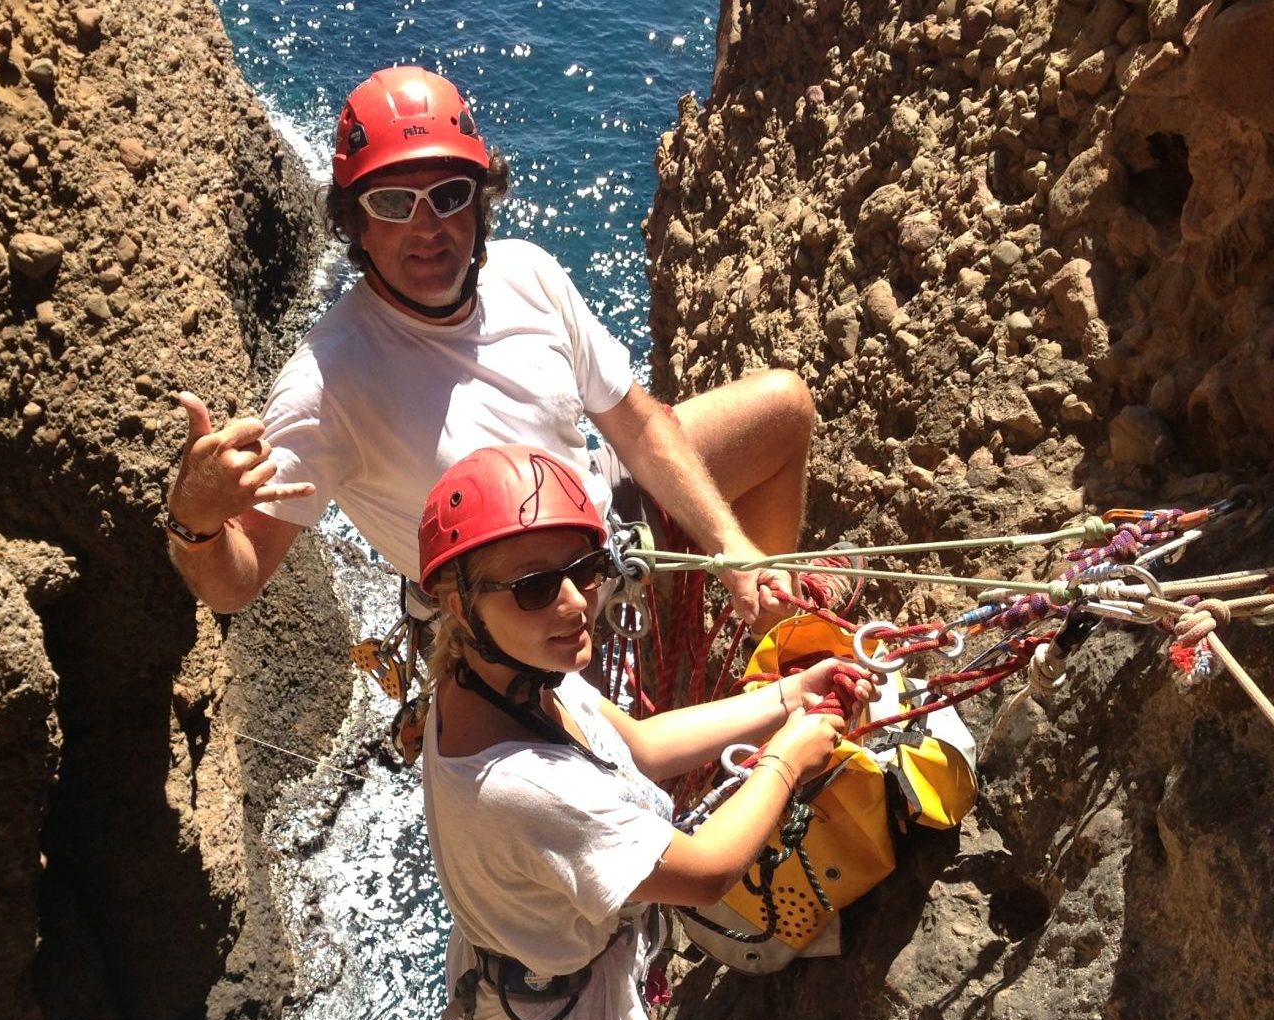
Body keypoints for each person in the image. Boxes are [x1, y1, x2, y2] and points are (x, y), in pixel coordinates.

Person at [415, 444, 867, 1020]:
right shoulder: (527, 785)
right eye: (535, 585)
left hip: (542, 1019)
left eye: (583, 569)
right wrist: (788, 758)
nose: (576, 602)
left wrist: (787, 699)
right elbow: (704, 873)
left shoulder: (499, 685)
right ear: (463, 603)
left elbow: (642, 744)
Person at [165, 64, 830, 629]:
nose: (427, 227)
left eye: (449, 195)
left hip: (594, 525)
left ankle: (770, 645)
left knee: (783, 408)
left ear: (480, 202)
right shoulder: (328, 381)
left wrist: (732, 545)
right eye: (394, 202)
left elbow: (637, 424)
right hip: (505, 625)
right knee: (613, 768)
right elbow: (238, 582)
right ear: (356, 224)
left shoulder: (527, 273)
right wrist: (195, 520)